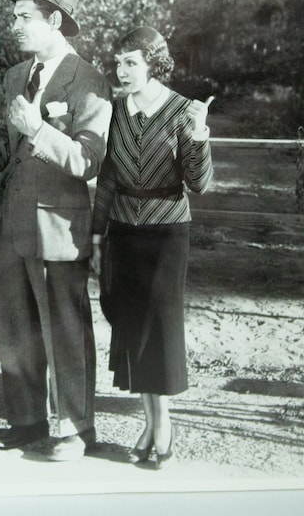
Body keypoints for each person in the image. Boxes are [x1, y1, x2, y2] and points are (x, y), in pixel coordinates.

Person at [0, 0, 112, 461]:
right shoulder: (15, 76)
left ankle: (76, 427)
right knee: (16, 326)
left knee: (64, 329)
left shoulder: (89, 80)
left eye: (25, 16)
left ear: (53, 19)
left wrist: (37, 128)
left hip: (59, 227)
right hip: (12, 224)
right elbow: (15, 151)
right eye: (14, 15)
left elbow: (87, 159)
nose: (16, 24)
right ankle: (27, 421)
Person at [91, 26, 213, 469]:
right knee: (133, 328)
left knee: (160, 331)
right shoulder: (116, 112)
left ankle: (163, 427)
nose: (121, 71)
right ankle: (147, 424)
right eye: (118, 62)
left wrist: (199, 135)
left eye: (132, 62)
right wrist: (96, 235)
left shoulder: (183, 111)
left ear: (154, 64)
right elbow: (107, 178)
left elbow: (198, 185)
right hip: (123, 233)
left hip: (166, 236)